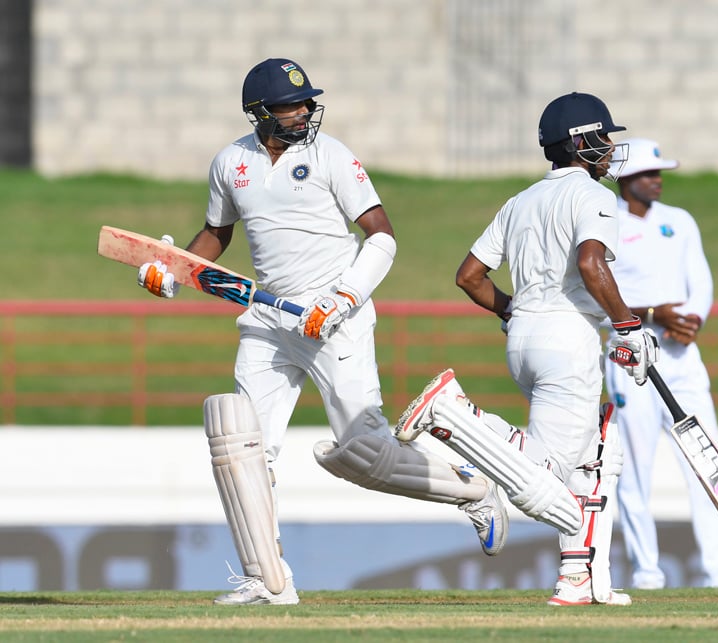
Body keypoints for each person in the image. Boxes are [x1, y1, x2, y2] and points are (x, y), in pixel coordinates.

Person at [135, 57, 508, 605]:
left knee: (364, 452)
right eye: (291, 105)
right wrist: (173, 270)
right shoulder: (229, 163)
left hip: (337, 318)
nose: (304, 111)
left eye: (307, 102)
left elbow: (382, 237)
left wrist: (342, 298)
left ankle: (473, 488)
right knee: (243, 447)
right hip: (268, 321)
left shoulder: (331, 155)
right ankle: (268, 579)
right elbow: (217, 234)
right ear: (259, 113)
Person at [394, 92, 661, 606]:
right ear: (580, 143)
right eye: (603, 139)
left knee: (597, 459)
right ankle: (455, 416)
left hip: (522, 337)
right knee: (546, 478)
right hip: (569, 340)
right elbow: (590, 263)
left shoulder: (520, 201)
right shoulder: (594, 196)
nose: (610, 150)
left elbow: (469, 277)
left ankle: (579, 579)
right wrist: (627, 326)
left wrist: (512, 311)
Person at [606, 137, 718, 589]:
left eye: (659, 173)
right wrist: (654, 315)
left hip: (682, 358)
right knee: (634, 470)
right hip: (630, 359)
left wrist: (691, 320)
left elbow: (702, 283)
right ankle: (646, 572)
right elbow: (598, 296)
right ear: (627, 179)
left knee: (708, 462)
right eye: (649, 173)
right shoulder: (605, 223)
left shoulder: (680, 221)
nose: (657, 180)